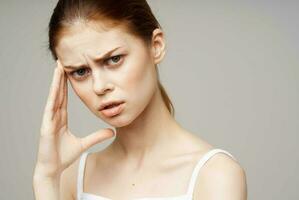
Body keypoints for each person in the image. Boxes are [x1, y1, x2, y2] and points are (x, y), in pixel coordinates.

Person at [33, 0, 247, 199]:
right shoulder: (71, 177)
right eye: (80, 72)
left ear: (156, 46)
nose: (99, 87)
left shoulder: (215, 176)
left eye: (114, 59)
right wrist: (46, 178)